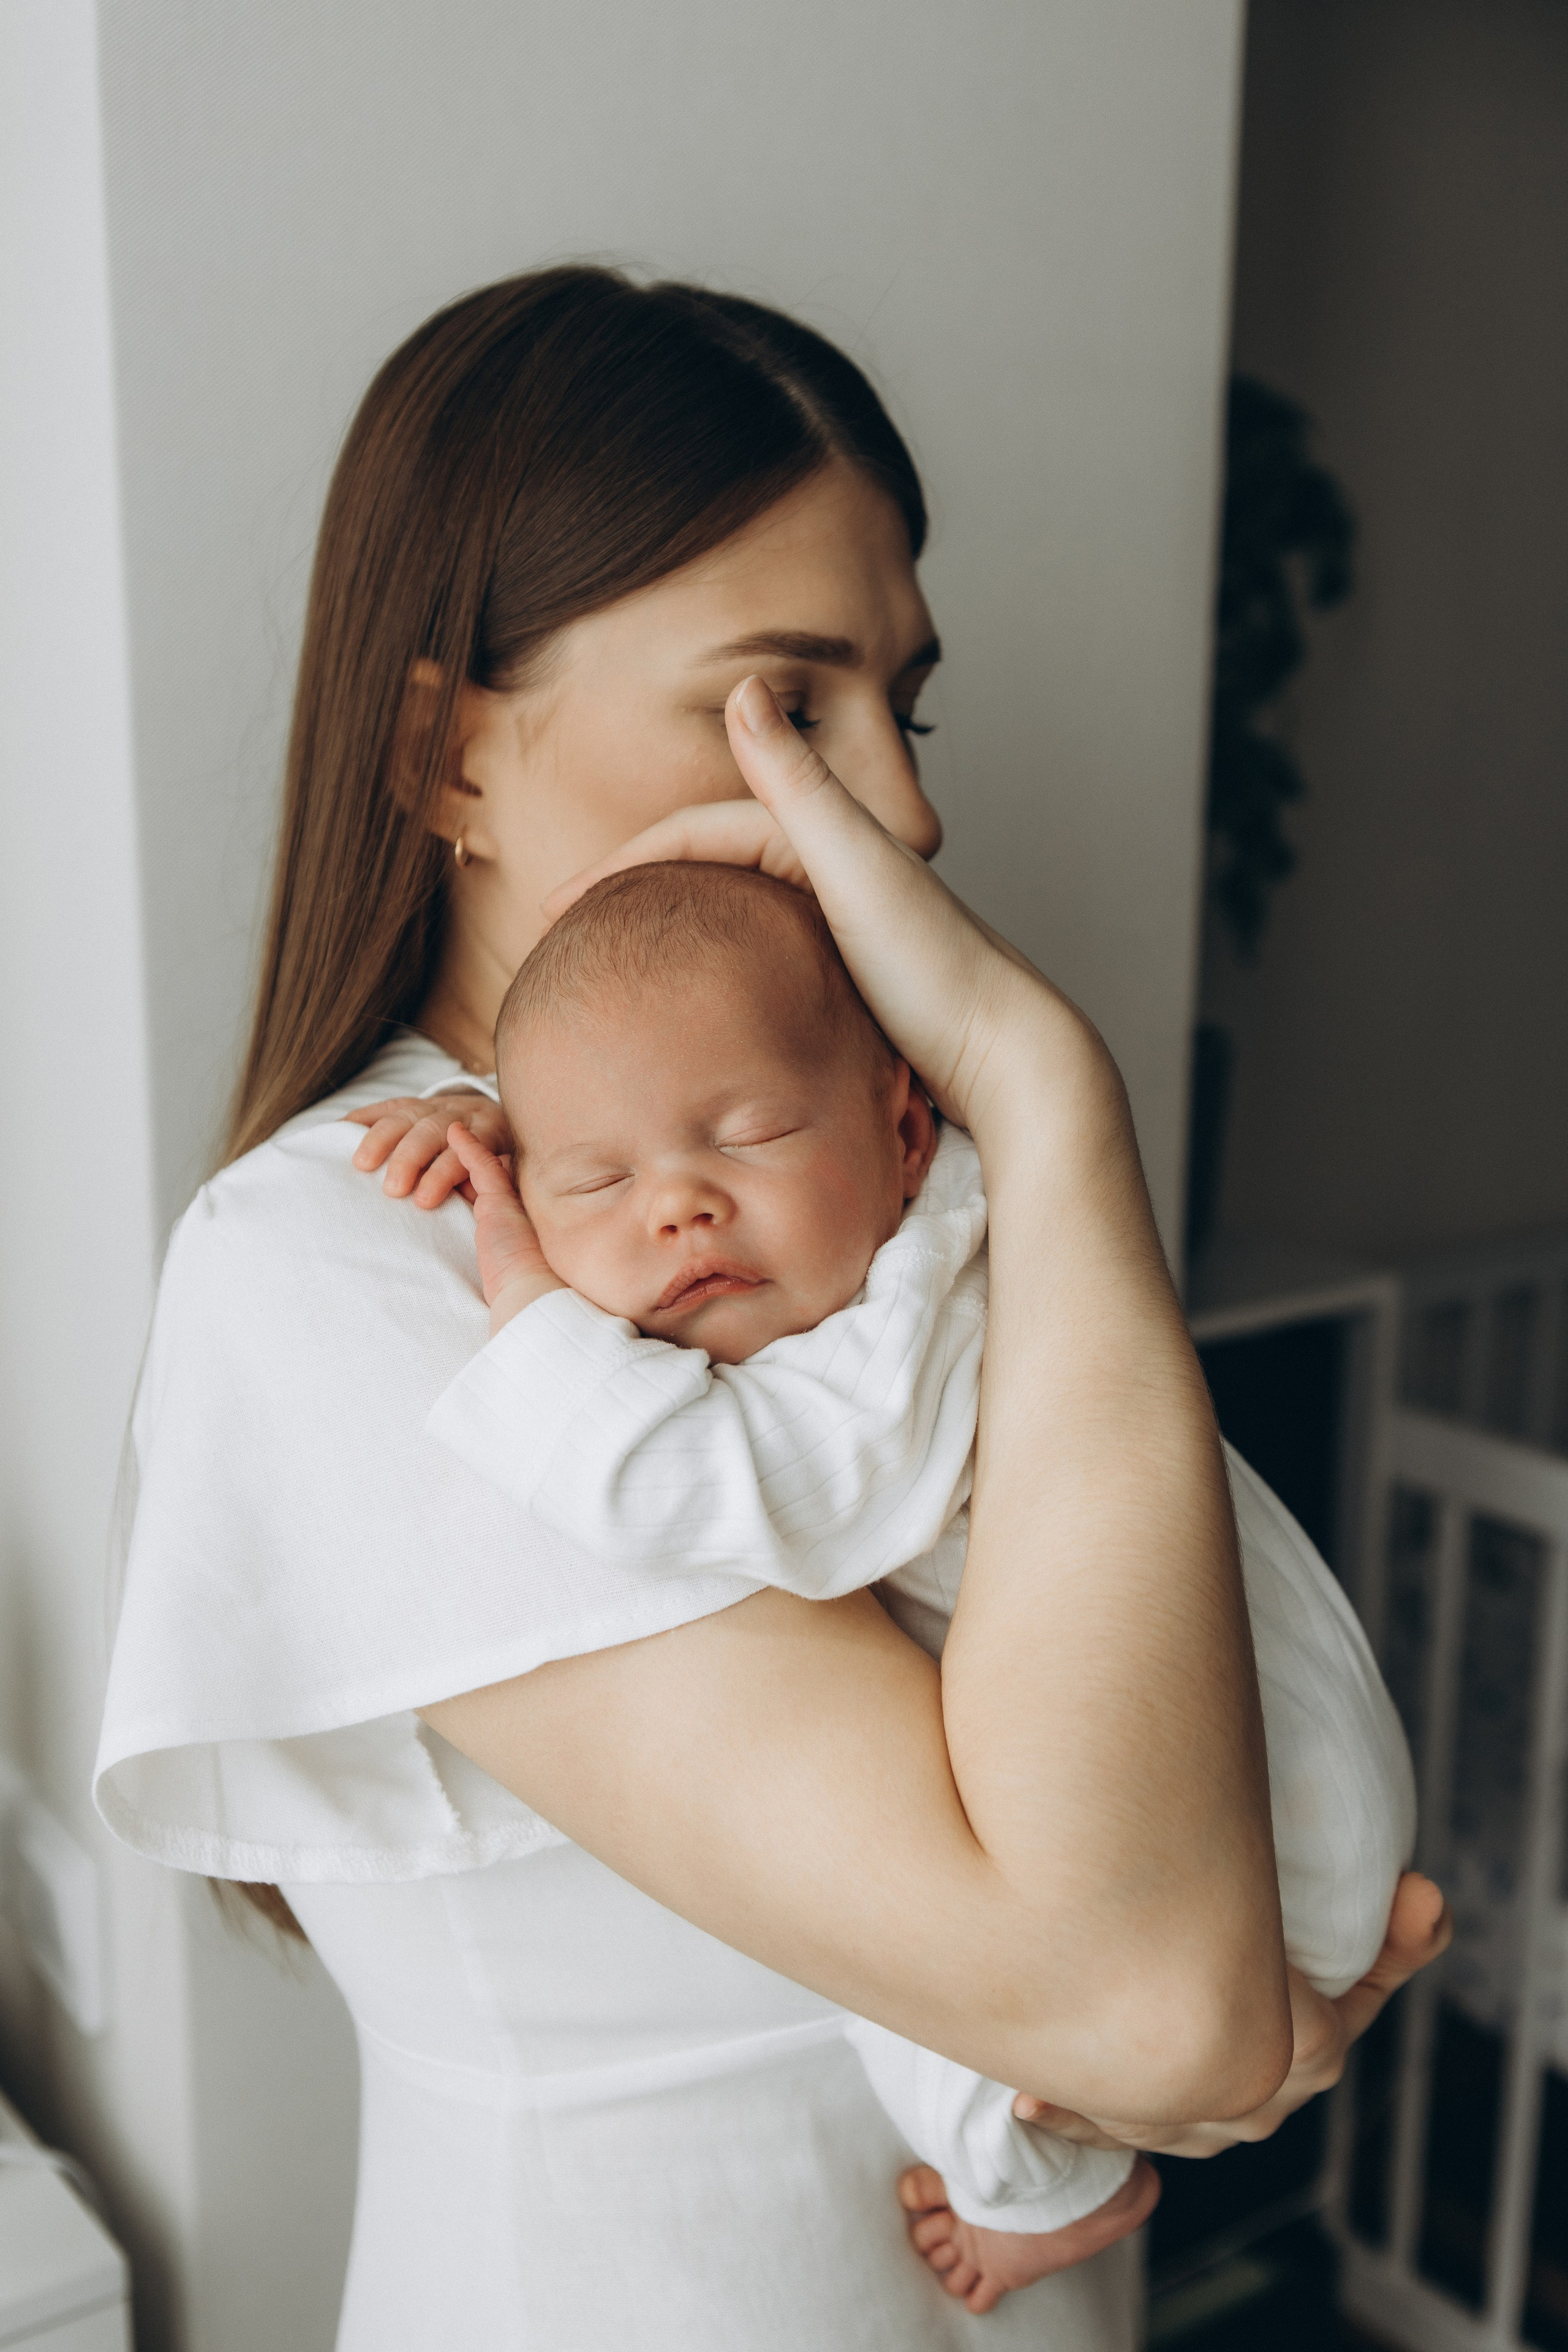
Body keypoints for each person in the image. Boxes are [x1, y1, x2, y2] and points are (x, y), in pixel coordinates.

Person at [95, 266, 1449, 2350]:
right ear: (444, 752)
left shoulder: (863, 1166)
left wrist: (1171, 2047)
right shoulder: (344, 1267)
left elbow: (1170, 1895)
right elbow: (1162, 1998)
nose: (896, 813)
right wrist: (1047, 1081)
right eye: (779, 705)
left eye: (901, 710)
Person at [360, 852, 1413, 2311]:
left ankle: (1047, 2191)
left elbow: (694, 1490)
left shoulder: (898, 1332)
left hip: (1269, 1832)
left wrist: (520, 1262)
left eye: (746, 1136)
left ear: (905, 1132)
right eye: (597, 1177)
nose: (677, 1208)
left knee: (902, 1970)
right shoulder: (936, 1225)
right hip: (1266, 1827)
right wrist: (520, 1145)